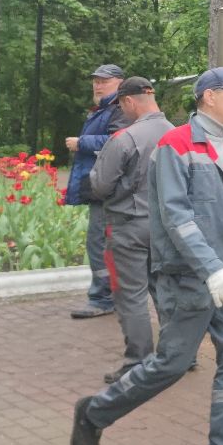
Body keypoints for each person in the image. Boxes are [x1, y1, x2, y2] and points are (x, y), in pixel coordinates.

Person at [70, 67, 223, 445]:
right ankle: (94, 412)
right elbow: (176, 214)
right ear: (207, 97)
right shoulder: (175, 144)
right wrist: (210, 268)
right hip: (189, 278)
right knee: (171, 363)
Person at [88, 77, 174, 383]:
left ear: (128, 101)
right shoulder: (178, 134)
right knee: (164, 291)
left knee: (131, 295)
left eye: (121, 105)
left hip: (130, 225)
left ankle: (139, 361)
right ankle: (178, 355)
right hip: (167, 227)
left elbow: (100, 185)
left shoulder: (126, 137)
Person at [65, 65, 128, 319]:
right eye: (95, 81)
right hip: (102, 185)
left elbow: (119, 142)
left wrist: (81, 143)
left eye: (104, 81)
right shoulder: (105, 109)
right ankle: (115, 296)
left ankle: (103, 299)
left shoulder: (119, 109)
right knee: (106, 243)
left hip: (108, 188)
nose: (97, 85)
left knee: (99, 242)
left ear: (120, 83)